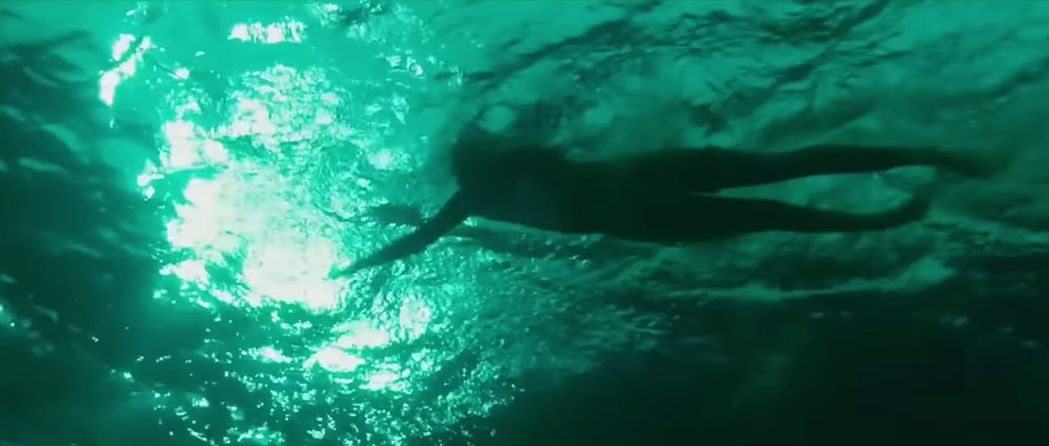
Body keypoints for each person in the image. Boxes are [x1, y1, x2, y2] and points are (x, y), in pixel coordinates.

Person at [333, 125, 999, 277]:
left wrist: (363, 262)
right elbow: (416, 240)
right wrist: (361, 262)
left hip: (641, 193)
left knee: (780, 177)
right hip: (642, 203)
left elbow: (416, 240)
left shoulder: (491, 179)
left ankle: (921, 164)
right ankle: (892, 201)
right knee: (774, 194)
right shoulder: (470, 196)